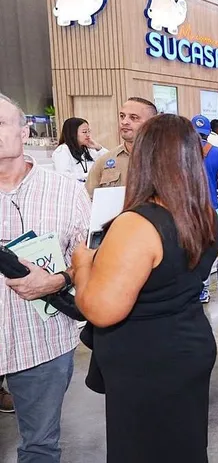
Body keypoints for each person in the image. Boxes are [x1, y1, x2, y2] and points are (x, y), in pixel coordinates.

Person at [72, 114, 218, 462]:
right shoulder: (204, 215)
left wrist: (82, 266)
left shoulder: (137, 224)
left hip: (148, 360)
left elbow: (101, 309)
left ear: (144, 157)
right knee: (183, 445)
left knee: (144, 448)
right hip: (188, 345)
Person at [0, 92, 90, 462]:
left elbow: (90, 260)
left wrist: (58, 281)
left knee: (39, 446)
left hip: (40, 342)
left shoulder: (66, 191)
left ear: (24, 133)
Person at [85, 97, 157, 197]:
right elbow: (87, 201)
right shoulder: (104, 162)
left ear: (151, 124)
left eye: (133, 118)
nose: (124, 122)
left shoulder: (164, 160)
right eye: (122, 116)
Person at [194, 115, 218, 303]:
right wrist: (211, 184)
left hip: (185, 208)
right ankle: (204, 290)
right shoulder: (217, 153)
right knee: (207, 248)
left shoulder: (180, 152)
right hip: (209, 207)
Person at [52, 117, 108, 182]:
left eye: (89, 131)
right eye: (84, 132)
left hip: (91, 188)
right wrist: (90, 175)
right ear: (72, 133)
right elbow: (64, 176)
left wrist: (99, 147)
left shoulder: (88, 149)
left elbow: (110, 161)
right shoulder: (62, 150)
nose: (88, 135)